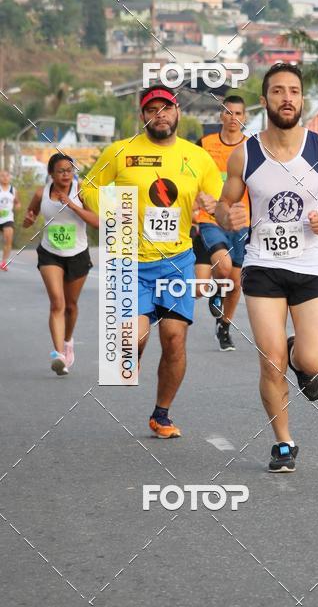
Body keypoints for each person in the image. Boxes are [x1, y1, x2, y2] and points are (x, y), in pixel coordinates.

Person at [216, 63, 318, 472]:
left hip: (309, 266)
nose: (286, 98)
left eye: (293, 91)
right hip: (263, 265)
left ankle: (297, 353)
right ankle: (283, 442)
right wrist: (227, 217)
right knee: (269, 361)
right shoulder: (246, 153)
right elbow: (223, 204)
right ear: (264, 100)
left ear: (302, 99)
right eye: (277, 91)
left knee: (313, 363)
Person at [81, 84, 223, 438]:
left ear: (177, 112)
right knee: (131, 340)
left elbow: (218, 203)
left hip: (176, 260)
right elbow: (88, 187)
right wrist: (116, 214)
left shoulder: (198, 157)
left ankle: (161, 414)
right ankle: (132, 352)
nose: (159, 115)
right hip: (129, 260)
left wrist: (211, 206)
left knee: (175, 338)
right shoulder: (121, 151)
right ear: (142, 116)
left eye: (165, 108)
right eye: (151, 110)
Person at [23, 154, 97, 375]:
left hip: (77, 254)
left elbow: (97, 222)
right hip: (50, 253)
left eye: (69, 170)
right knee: (58, 303)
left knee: (71, 305)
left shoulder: (82, 190)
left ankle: (67, 341)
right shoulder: (41, 193)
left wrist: (73, 205)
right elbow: (31, 217)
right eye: (61, 170)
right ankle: (58, 355)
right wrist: (28, 221)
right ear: (51, 174)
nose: (66, 174)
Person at [192, 95, 249, 351]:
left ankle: (225, 326)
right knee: (223, 268)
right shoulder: (204, 144)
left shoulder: (252, 147)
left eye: (238, 113)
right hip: (211, 218)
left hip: (241, 220)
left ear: (244, 117)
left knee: (236, 282)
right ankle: (215, 289)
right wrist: (196, 203)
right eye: (228, 112)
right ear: (221, 117)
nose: (233, 118)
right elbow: (189, 176)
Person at [0, 169, 20, 271]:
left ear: (10, 177)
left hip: (7, 218)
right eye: (2, 176)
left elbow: (17, 202)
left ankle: (3, 262)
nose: (5, 177)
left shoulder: (13, 189)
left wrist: (17, 206)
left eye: (7, 175)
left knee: (8, 240)